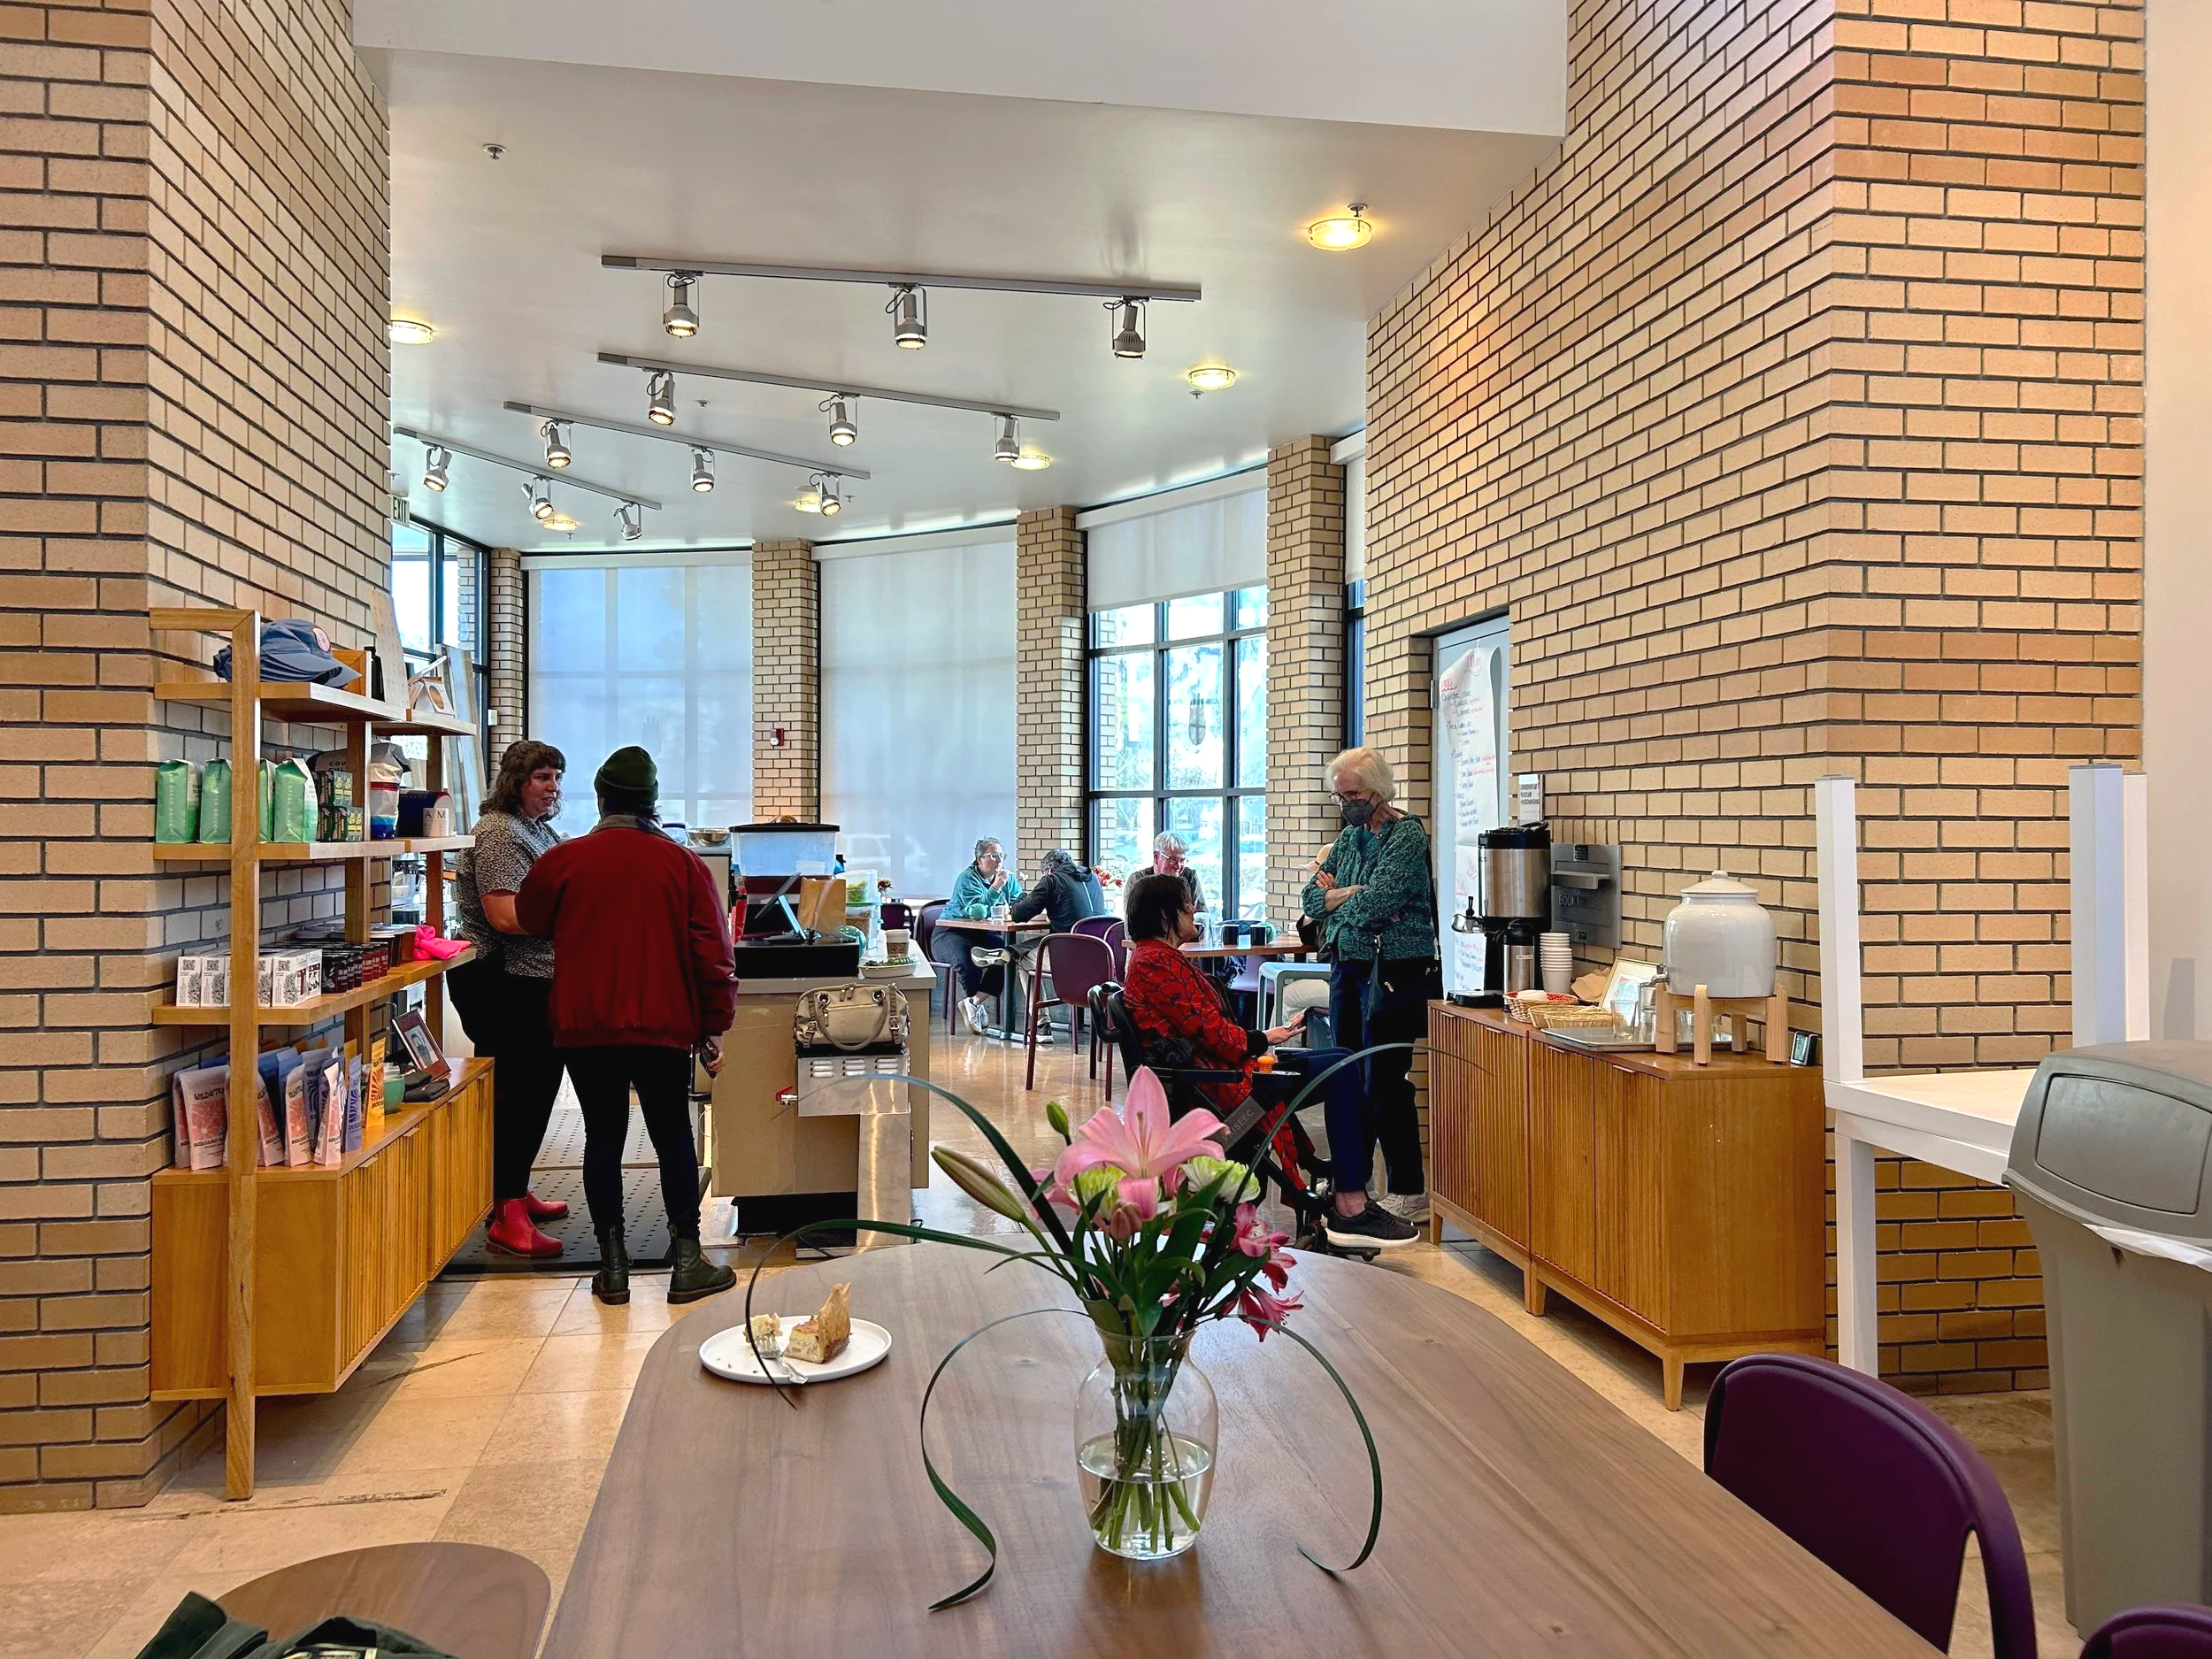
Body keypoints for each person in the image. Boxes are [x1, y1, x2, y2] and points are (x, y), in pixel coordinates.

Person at [516, 746, 739, 1307]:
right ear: (653, 803)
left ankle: (612, 1267)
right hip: (664, 1025)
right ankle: (687, 1263)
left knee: (603, 1137)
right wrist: (714, 1024)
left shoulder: (565, 860)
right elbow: (713, 954)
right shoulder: (683, 864)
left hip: (585, 1024)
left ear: (600, 799)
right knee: (672, 1136)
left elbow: (531, 917)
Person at [1119, 872, 1417, 1249]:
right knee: (1343, 1069)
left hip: (1217, 1074)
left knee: (1345, 1059)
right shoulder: (1154, 964)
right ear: (1165, 916)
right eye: (1186, 904)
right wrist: (1263, 1038)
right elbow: (1213, 1035)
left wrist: (1263, 1039)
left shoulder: (1156, 959)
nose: (1194, 910)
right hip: (1217, 1084)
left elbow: (1206, 1030)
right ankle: (1350, 1204)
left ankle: (1346, 1190)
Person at [1301, 745, 1438, 1225]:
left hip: (1393, 971)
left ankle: (1409, 1189)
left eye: (1353, 795)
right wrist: (1344, 896)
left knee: (1383, 1080)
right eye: (1339, 797)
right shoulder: (1350, 837)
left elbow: (1380, 901)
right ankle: (1355, 1185)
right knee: (1348, 1079)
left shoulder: (1406, 835)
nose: (1346, 805)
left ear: (1378, 791)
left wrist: (1345, 900)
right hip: (1347, 967)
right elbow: (1309, 901)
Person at [449, 740, 572, 1259]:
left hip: (533, 978)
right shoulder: (499, 832)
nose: (553, 788)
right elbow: (504, 915)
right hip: (506, 982)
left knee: (537, 1091)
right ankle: (506, 1215)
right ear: (517, 781)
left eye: (557, 778)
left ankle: (515, 1193)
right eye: (543, 777)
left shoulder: (535, 829)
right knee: (519, 1096)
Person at [946, 837, 1022, 1034]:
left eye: (1001, 856)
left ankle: (974, 1002)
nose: (999, 861)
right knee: (965, 960)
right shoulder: (967, 878)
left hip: (982, 933)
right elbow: (976, 911)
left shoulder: (1008, 878)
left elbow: (1019, 901)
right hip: (952, 931)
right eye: (994, 856)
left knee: (1007, 954)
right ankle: (974, 1007)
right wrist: (996, 888)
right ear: (979, 859)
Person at [1152, 831, 1208, 916]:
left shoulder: (1189, 876)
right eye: (1172, 859)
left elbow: (1202, 917)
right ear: (1156, 857)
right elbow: (1133, 925)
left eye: (1182, 861)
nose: (1178, 867)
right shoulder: (1139, 881)